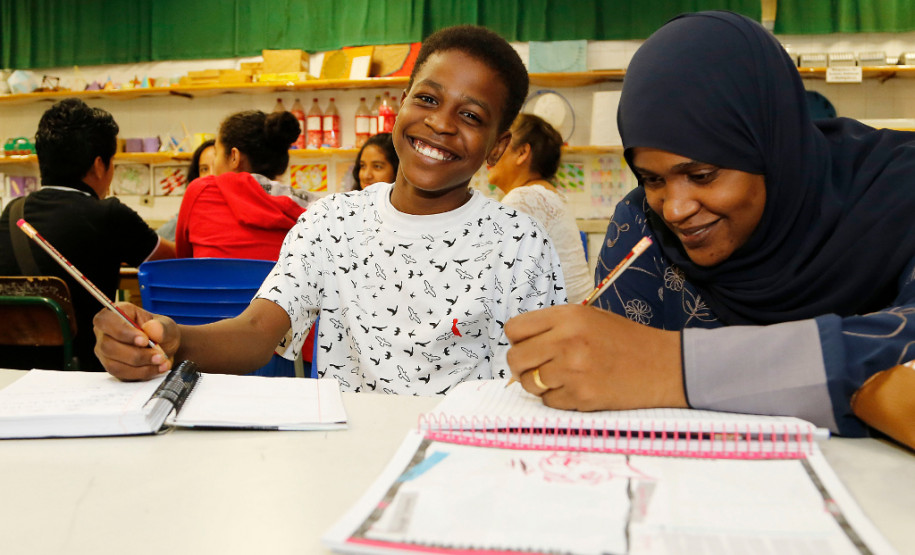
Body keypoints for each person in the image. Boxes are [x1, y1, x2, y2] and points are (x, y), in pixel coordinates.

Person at [94, 25, 566, 395]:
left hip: (461, 461)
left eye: (471, 116)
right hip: (346, 455)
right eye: (427, 98)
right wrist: (174, 339)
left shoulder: (521, 243)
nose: (440, 123)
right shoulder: (331, 222)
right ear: (400, 105)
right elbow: (257, 330)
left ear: (496, 147)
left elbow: (536, 377)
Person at [505, 11, 915, 437]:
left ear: (769, 147)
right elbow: (602, 394)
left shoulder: (898, 195)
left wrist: (673, 368)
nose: (676, 209)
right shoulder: (642, 227)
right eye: (652, 179)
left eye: (702, 175)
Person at [0, 98, 175, 371]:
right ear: (98, 165)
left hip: (10, 372)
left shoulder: (13, 214)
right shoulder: (109, 214)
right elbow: (173, 262)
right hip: (85, 370)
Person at [174, 110, 314, 260]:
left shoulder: (201, 191)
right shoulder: (314, 209)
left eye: (216, 154)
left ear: (234, 157)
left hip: (214, 283)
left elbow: (184, 260)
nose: (214, 163)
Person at [488, 113, 592, 302]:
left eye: (499, 144)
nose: (490, 153)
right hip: (578, 316)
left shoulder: (523, 198)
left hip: (562, 324)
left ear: (522, 153)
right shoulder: (550, 194)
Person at [156, 139, 215, 241]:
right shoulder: (191, 212)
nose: (211, 174)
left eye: (217, 167)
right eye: (204, 169)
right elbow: (152, 244)